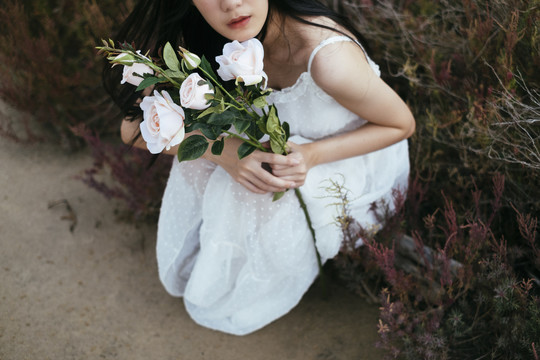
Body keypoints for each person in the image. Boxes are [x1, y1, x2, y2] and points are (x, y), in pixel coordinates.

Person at [103, 0, 415, 335]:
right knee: (201, 148)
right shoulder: (200, 40)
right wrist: (224, 154)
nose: (231, 4)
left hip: (349, 162)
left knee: (251, 181)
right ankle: (231, 258)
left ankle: (269, 271)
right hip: (279, 152)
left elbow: (400, 125)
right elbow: (132, 129)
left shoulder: (328, 59)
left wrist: (310, 156)